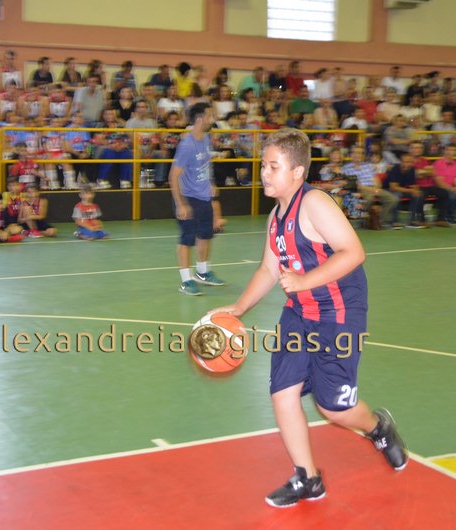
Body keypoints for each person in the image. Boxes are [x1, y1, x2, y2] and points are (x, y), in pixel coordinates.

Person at [210, 128, 407, 508]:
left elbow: (353, 252)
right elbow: (269, 269)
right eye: (263, 165)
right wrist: (239, 308)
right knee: (282, 392)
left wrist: (303, 281)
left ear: (298, 171)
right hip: (300, 314)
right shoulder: (275, 216)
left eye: (274, 166)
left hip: (339, 314)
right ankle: (308, 478)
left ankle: (378, 427)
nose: (264, 173)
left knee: (332, 408)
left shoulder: (315, 203)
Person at [169, 102, 225, 295]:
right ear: (200, 119)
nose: (213, 119)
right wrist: (180, 204)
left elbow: (205, 165)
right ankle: (186, 281)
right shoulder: (187, 145)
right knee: (187, 239)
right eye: (210, 116)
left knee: (205, 235)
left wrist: (210, 183)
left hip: (203, 196)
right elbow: (173, 176)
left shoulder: (206, 138)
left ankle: (203, 272)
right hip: (188, 198)